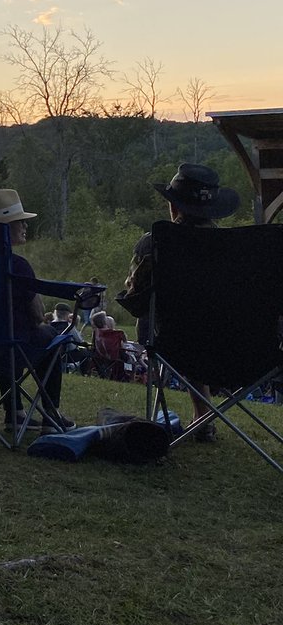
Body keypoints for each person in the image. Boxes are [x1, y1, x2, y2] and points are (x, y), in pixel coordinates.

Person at [117, 163, 240, 442]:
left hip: (176, 345)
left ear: (174, 208)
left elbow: (136, 301)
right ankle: (204, 415)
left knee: (180, 328)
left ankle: (203, 414)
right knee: (200, 329)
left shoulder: (154, 245)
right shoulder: (238, 249)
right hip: (242, 349)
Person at [0, 188, 74, 433]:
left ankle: (16, 413)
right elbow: (35, 317)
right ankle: (51, 415)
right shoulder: (16, 266)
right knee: (48, 336)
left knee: (7, 333)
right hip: (5, 351)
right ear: (0, 227)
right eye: (18, 221)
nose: (25, 225)